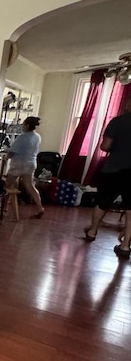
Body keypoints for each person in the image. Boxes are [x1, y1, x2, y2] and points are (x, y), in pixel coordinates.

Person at [83, 98, 131, 259]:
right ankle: (125, 246)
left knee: (102, 202)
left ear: (128, 104)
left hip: (114, 169)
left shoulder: (117, 122)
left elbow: (105, 146)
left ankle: (92, 231)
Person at [4, 116, 44, 218]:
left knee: (7, 186)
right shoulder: (37, 137)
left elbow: (12, 152)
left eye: (23, 124)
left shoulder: (22, 137)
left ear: (26, 125)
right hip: (31, 164)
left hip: (18, 164)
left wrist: (6, 158)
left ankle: (4, 207)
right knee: (30, 186)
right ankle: (40, 207)